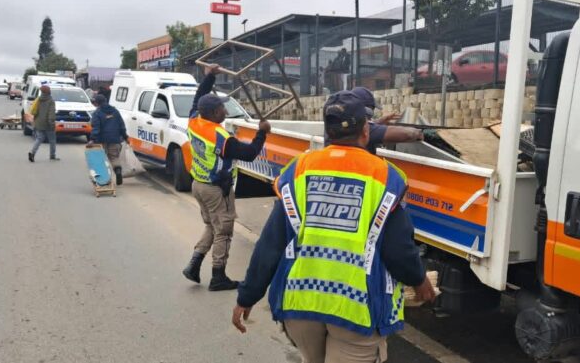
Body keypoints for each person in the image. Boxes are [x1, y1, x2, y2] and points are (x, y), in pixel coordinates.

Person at [232, 92, 436, 362]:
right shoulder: (385, 176)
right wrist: (419, 281)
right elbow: (398, 249)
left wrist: (247, 296)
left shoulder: (299, 169)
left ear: (327, 131)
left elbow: (271, 243)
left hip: (301, 303)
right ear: (366, 131)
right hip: (355, 309)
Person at [181, 93, 271, 291]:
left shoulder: (194, 121)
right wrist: (262, 133)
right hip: (215, 189)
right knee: (223, 231)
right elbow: (249, 153)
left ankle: (194, 264)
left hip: (198, 184)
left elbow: (197, 98)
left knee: (211, 226)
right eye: (222, 108)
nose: (226, 111)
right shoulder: (221, 138)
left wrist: (210, 78)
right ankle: (218, 277)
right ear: (214, 113)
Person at [323, 88, 423, 155]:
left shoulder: (335, 126)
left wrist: (378, 122)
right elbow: (408, 134)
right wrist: (418, 133)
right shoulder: (361, 130)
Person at [88, 95, 129, 185]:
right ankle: (118, 170)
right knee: (114, 157)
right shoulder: (115, 111)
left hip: (101, 141)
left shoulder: (97, 113)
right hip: (115, 139)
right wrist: (125, 137)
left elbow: (96, 128)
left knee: (101, 160)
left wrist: (92, 139)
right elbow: (122, 126)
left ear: (97, 103)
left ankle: (104, 180)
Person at [28, 85, 59, 162]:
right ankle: (52, 155)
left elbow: (35, 111)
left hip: (38, 123)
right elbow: (51, 113)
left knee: (39, 139)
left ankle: (32, 153)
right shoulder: (51, 101)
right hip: (48, 123)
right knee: (52, 140)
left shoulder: (38, 99)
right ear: (49, 92)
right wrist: (52, 123)